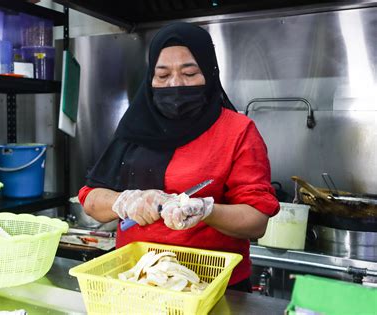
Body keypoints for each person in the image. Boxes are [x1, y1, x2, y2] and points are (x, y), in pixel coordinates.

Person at [77, 22, 279, 292]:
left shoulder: (237, 131)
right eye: (162, 75)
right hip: (139, 281)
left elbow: (257, 221)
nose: (175, 84)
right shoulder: (134, 127)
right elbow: (90, 201)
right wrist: (124, 202)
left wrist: (205, 210)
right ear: (150, 78)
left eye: (189, 73)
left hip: (213, 287)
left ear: (209, 73)